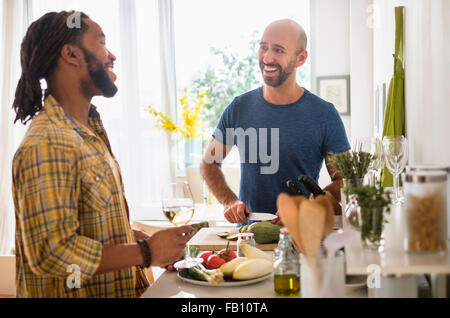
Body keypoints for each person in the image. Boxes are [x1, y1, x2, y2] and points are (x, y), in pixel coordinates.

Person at [11, 11, 190, 298]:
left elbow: (85, 225)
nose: (112, 55)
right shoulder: (49, 142)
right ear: (71, 54)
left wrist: (131, 238)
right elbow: (51, 253)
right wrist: (144, 252)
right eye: (102, 42)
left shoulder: (88, 130)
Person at [200, 19, 350, 225]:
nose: (267, 57)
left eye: (278, 50)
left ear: (300, 58)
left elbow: (344, 180)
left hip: (302, 236)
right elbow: (209, 163)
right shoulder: (238, 108)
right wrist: (229, 201)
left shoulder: (324, 114)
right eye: (263, 47)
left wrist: (309, 204)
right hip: (249, 237)